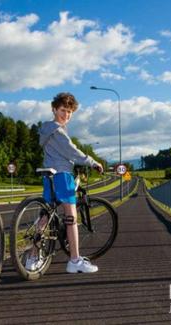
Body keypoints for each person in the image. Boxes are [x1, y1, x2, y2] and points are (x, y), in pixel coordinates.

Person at [31, 92, 104, 273]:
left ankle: (32, 257)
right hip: (62, 175)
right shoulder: (57, 131)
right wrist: (93, 162)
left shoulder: (47, 130)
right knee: (71, 218)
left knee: (44, 218)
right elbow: (72, 152)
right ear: (54, 109)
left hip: (49, 176)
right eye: (63, 110)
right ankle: (74, 260)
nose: (66, 115)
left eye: (70, 112)